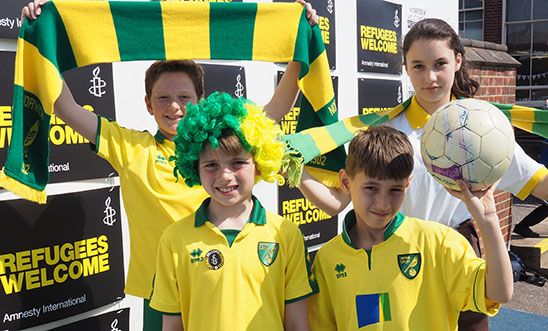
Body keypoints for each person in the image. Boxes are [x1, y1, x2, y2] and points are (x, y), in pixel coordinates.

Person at [20, 1, 318, 330]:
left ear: (200, 100)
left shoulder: (228, 141)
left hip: (228, 287)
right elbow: (64, 106)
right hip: (160, 296)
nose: (174, 107)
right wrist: (42, 38)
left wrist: (298, 39)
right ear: (148, 104)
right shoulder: (129, 147)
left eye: (184, 97)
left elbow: (279, 105)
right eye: (163, 98)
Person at [297, 18, 547, 330]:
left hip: (456, 255)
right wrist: (296, 171)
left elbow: (541, 183)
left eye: (440, 63)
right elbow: (338, 202)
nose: (429, 77)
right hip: (393, 256)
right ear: (405, 68)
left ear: (457, 61)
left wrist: (488, 222)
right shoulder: (387, 131)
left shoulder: (484, 129)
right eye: (418, 66)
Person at [308, 125, 513, 330]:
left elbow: (499, 293)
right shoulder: (328, 258)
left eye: (395, 190)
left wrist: (488, 220)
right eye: (371, 188)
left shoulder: (439, 242)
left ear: (407, 184)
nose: (383, 203)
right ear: (345, 182)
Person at [150, 92, 315, 331]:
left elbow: (298, 324)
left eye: (237, 162)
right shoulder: (174, 239)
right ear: (194, 167)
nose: (225, 176)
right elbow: (172, 325)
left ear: (259, 163)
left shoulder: (285, 234)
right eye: (211, 165)